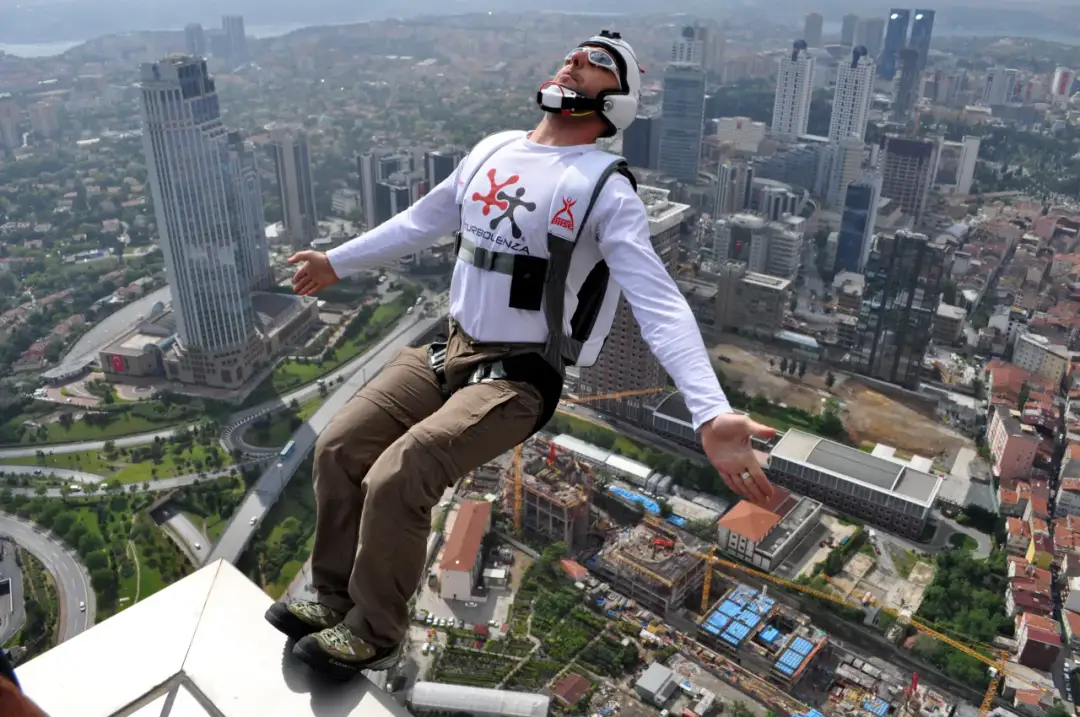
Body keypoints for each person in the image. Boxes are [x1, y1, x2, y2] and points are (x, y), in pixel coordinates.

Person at [265, 30, 776, 680]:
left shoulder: (604, 189)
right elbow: (422, 219)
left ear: (615, 100)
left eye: (597, 64)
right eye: (576, 53)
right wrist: (337, 262)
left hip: (518, 376)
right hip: (450, 348)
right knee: (340, 447)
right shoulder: (492, 151)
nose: (576, 60)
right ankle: (329, 593)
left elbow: (659, 298)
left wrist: (709, 412)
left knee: (403, 472)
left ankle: (373, 628)